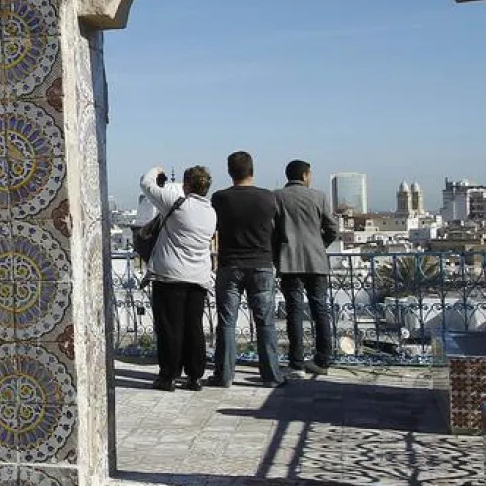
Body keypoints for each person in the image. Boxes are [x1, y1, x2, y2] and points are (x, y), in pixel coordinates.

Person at [208, 150, 289, 388]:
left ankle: (223, 375)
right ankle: (271, 376)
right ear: (252, 170)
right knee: (265, 322)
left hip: (229, 264)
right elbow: (279, 231)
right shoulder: (268, 198)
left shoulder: (220, 198)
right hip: (261, 264)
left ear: (230, 172)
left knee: (227, 322)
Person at [139, 165, 217, 392]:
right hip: (198, 277)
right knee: (193, 328)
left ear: (188, 184)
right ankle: (195, 376)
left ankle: (169, 376)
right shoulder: (211, 212)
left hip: (170, 276)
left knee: (170, 328)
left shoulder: (177, 204)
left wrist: (156, 170)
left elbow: (146, 183)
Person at [275, 159, 339, 375]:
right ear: (304, 175)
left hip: (289, 261)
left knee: (294, 311)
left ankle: (296, 362)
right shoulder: (319, 196)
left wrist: (277, 255)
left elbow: (272, 231)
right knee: (319, 309)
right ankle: (323, 360)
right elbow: (332, 229)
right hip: (316, 261)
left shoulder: (277, 197)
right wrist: (320, 245)